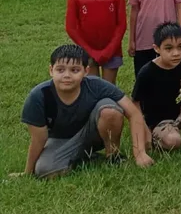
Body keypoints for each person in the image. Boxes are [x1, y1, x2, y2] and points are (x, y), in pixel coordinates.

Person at [21, 45, 154, 178]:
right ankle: (85, 157)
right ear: (51, 70)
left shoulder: (97, 85)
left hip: (92, 133)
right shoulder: (39, 96)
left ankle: (113, 155)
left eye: (74, 70)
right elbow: (39, 138)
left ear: (86, 71)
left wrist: (140, 153)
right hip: (60, 139)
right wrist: (28, 172)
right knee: (45, 171)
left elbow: (133, 112)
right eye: (60, 70)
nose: (67, 75)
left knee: (110, 111)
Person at [131, 23, 181, 151]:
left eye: (180, 47)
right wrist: (144, 130)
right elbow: (135, 102)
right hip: (158, 120)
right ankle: (157, 137)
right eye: (169, 49)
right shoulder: (147, 72)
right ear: (157, 49)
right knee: (174, 141)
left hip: (180, 111)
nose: (176, 53)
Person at [66, 0, 127, 84]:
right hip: (87, 52)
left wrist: (108, 50)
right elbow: (71, 28)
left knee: (108, 89)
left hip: (112, 51)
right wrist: (90, 51)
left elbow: (121, 25)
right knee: (91, 88)